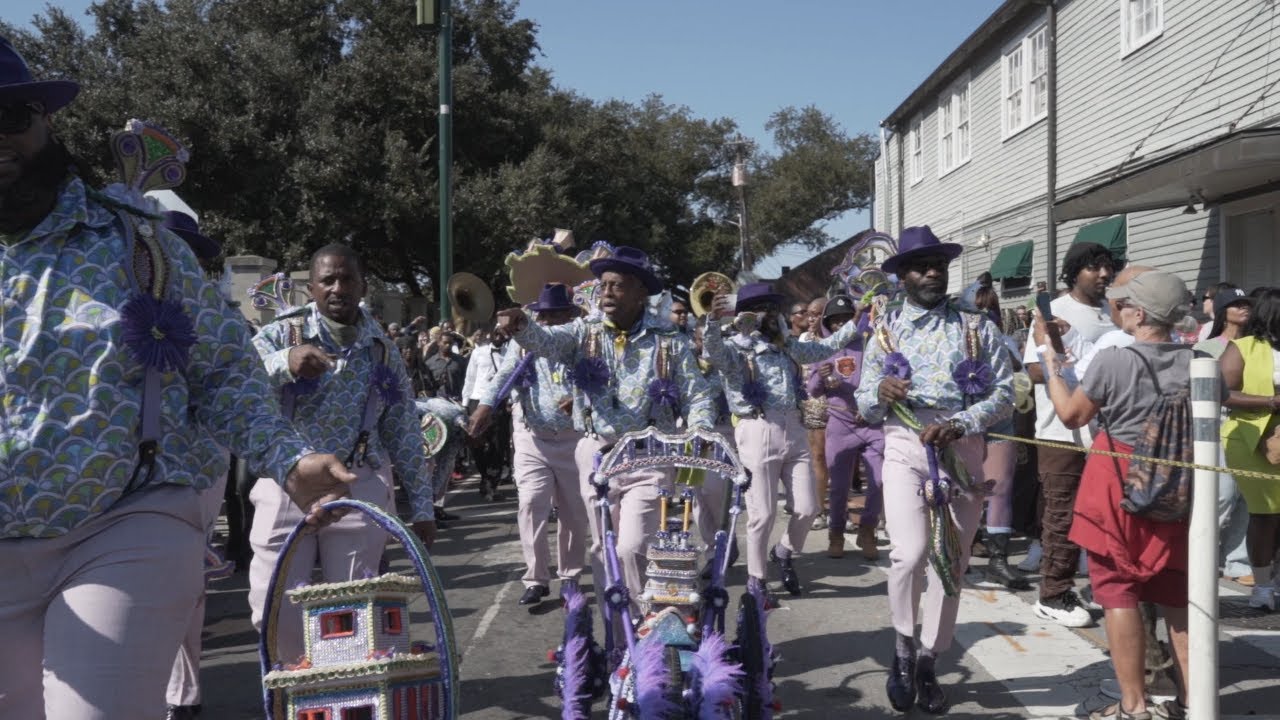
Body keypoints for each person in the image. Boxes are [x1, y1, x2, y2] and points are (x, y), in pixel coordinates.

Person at [0, 39, 356, 719]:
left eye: (11, 115)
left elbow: (222, 368)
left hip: (120, 523)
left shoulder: (134, 240)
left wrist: (286, 458)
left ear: (47, 122)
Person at [487, 246, 713, 618]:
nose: (607, 293)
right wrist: (522, 326)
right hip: (594, 453)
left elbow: (697, 394)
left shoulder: (669, 340)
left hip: (649, 455)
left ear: (641, 292)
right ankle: (615, 628)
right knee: (604, 547)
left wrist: (701, 432)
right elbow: (548, 342)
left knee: (633, 546)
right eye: (604, 285)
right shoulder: (583, 331)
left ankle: (647, 623)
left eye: (618, 286)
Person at [248, 244, 437, 665]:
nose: (338, 288)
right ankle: (294, 693)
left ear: (363, 285)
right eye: (327, 280)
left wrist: (422, 506)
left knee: (353, 615)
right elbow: (234, 377)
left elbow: (403, 427)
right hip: (287, 481)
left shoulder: (381, 349)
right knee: (274, 611)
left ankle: (345, 696)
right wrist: (285, 361)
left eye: (347, 279)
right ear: (311, 287)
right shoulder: (285, 333)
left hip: (355, 485)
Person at [854, 226, 1014, 715]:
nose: (932, 273)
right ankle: (902, 649)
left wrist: (961, 422)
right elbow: (863, 402)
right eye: (922, 266)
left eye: (939, 266)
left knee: (952, 563)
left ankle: (929, 660)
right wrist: (879, 393)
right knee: (909, 553)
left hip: (961, 449)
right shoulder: (884, 330)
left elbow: (1005, 393)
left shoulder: (976, 326)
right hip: (904, 445)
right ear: (902, 275)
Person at [1035, 270, 1206, 720]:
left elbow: (1072, 414)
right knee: (1177, 594)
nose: (1119, 308)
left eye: (1125, 303)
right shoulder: (1200, 361)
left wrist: (1050, 358)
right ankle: (1193, 701)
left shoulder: (1116, 361)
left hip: (1119, 485)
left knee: (1118, 592)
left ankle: (1134, 705)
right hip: (1179, 487)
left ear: (1140, 312)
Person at [705, 283, 860, 599]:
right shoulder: (735, 348)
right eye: (759, 307)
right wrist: (712, 321)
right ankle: (757, 579)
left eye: (771, 307)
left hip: (794, 427)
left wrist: (860, 319)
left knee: (807, 507)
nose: (768, 314)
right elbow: (713, 353)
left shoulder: (788, 345)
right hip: (757, 428)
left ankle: (784, 551)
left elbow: (823, 349)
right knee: (762, 514)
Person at [471, 284, 589, 607]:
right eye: (544, 315)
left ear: (570, 314)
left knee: (573, 513)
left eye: (555, 315)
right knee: (531, 504)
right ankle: (536, 577)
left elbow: (593, 378)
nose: (548, 321)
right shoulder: (523, 343)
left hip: (572, 440)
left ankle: (570, 576)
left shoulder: (579, 337)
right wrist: (485, 405)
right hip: (531, 437)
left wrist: (579, 403)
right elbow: (504, 375)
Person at [1023, 241, 1118, 628]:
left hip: (1109, 432)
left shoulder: (1114, 312)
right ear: (1074, 271)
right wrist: (1064, 357)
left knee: (1103, 515)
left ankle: (1098, 585)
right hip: (1061, 431)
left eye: (1107, 267)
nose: (1103, 274)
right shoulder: (1055, 311)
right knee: (1061, 516)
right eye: (1094, 267)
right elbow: (1032, 369)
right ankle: (1053, 592)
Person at [806, 294, 884, 561]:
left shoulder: (871, 342)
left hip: (872, 423)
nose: (841, 325)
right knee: (839, 487)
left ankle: (868, 531)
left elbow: (884, 378)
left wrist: (872, 407)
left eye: (845, 318)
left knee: (879, 481)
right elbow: (813, 391)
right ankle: (836, 533)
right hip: (840, 425)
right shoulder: (824, 347)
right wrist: (821, 375)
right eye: (835, 321)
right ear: (828, 324)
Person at [1220, 288, 1280, 612]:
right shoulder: (1243, 347)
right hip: (1250, 440)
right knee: (1265, 513)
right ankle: (1262, 586)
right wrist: (1271, 401)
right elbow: (1222, 391)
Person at [1193, 286, 1255, 586]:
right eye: (1237, 304)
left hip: (1250, 428)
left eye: (1247, 304)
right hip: (1215, 430)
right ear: (1222, 311)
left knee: (1245, 497)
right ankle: (1201, 552)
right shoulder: (1206, 348)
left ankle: (1236, 561)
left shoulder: (1259, 345)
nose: (1244, 308)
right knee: (1222, 495)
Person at [972, 285, 1031, 591]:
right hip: (963, 424)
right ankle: (955, 552)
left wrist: (1006, 351)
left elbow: (1020, 373)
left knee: (1000, 489)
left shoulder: (1003, 340)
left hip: (1000, 422)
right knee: (961, 489)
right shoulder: (956, 338)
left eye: (990, 309)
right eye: (978, 308)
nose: (983, 314)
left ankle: (998, 560)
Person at [800, 296, 834, 534]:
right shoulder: (804, 340)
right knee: (818, 458)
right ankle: (819, 510)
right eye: (808, 314)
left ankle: (837, 509)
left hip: (840, 405)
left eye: (816, 314)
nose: (810, 319)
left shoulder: (837, 339)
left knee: (839, 462)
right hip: (813, 405)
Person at [423, 330, 468, 401]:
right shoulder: (429, 363)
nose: (448, 345)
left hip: (457, 401)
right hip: (437, 401)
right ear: (438, 343)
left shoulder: (461, 361)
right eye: (445, 343)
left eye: (450, 343)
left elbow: (466, 381)